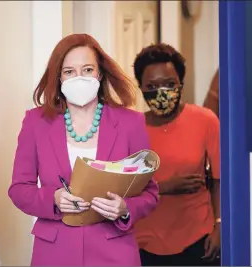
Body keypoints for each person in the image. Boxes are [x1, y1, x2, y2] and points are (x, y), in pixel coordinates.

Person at [8, 34, 159, 266]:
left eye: (87, 69)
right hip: (54, 251)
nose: (79, 78)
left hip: (115, 251)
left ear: (100, 73)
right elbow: (19, 190)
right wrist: (53, 198)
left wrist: (125, 208)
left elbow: (150, 193)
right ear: (58, 77)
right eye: (69, 71)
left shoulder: (130, 123)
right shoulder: (35, 122)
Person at [132, 43, 221, 266]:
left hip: (197, 240)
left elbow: (220, 179)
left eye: (169, 84)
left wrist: (220, 225)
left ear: (181, 84)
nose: (161, 92)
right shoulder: (129, 129)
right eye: (152, 85)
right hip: (144, 244)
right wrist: (164, 188)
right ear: (141, 87)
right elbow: (120, 188)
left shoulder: (205, 120)